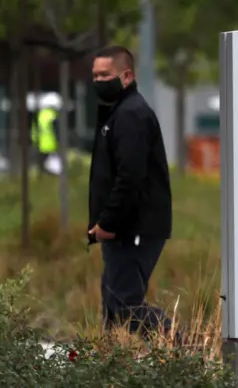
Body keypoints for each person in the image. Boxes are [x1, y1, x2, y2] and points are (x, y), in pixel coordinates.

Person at [87, 45, 173, 336]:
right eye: (95, 76)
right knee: (113, 307)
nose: (98, 81)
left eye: (105, 75)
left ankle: (186, 353)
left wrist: (108, 223)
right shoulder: (119, 113)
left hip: (132, 229)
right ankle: (112, 371)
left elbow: (130, 177)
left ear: (126, 76)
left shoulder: (131, 115)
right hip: (122, 230)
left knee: (126, 306)